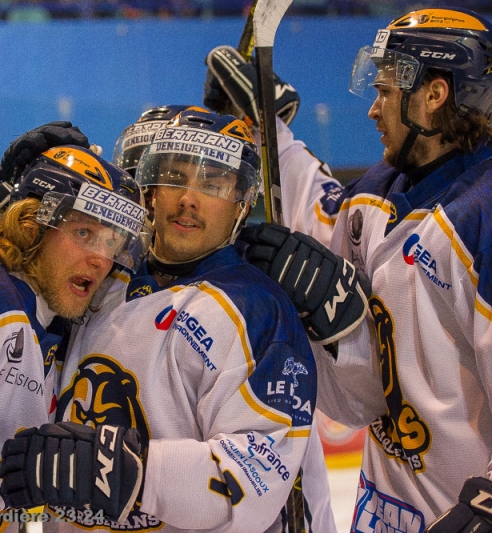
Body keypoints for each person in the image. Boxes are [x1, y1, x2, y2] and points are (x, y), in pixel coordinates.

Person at [205, 7, 492, 531]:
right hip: (385, 510)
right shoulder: (380, 192)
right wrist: (267, 129)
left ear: (434, 94)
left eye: (385, 92)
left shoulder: (481, 216)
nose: (373, 109)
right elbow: (318, 210)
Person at [0, 109, 337, 532]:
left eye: (212, 183)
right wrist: (3, 201)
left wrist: (120, 470)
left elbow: (253, 478)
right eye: (174, 177)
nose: (188, 198)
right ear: (151, 191)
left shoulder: (257, 311)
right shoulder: (100, 276)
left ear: (242, 204)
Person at [0, 144, 148, 533]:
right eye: (84, 232)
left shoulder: (50, 332)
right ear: (31, 224)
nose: (101, 259)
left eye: (112, 242)